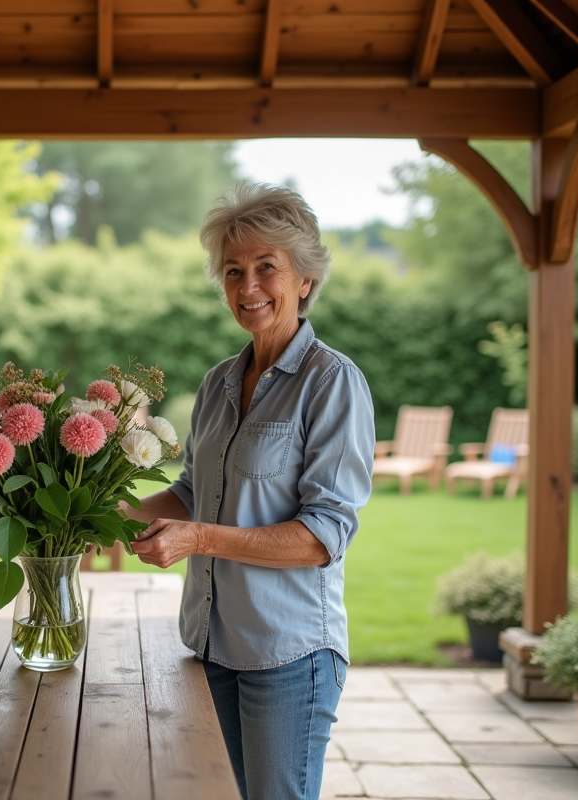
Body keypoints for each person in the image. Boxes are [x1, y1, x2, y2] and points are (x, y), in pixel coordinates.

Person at [126, 182, 374, 800]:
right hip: (211, 643)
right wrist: (100, 515)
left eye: (268, 268)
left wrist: (198, 540)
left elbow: (323, 538)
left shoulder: (332, 383)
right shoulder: (218, 382)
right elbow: (191, 492)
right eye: (233, 271)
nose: (248, 287)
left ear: (305, 279)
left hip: (288, 655)